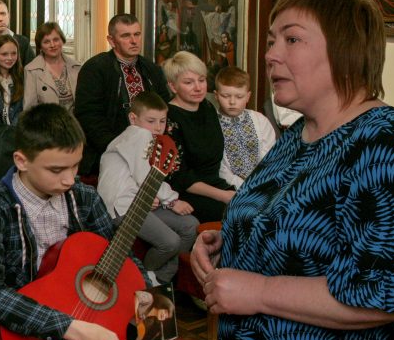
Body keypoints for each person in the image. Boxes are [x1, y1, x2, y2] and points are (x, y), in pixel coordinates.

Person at [192, 0, 394, 340]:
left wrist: (260, 291)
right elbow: (297, 225)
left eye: (291, 39)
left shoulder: (388, 145)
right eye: (272, 41)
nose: (271, 54)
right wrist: (234, 238)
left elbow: (388, 292)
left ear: (345, 51)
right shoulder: (298, 135)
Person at [0, 103, 184, 340]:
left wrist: (156, 327)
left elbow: (123, 256)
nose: (70, 179)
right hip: (19, 330)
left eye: (76, 165)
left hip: (92, 317)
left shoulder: (84, 197)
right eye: (56, 170)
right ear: (21, 160)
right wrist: (73, 329)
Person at [98, 91, 198, 285]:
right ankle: (146, 279)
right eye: (151, 121)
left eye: (162, 121)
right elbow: (146, 176)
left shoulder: (146, 137)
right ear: (133, 118)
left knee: (190, 225)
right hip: (122, 207)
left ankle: (162, 279)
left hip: (139, 201)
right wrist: (172, 201)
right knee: (171, 242)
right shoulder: (138, 134)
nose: (158, 127)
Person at [75, 14, 171, 176]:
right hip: (108, 153)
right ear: (112, 41)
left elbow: (165, 108)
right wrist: (119, 148)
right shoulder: (95, 69)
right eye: (126, 36)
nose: (134, 41)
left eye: (137, 34)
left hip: (151, 153)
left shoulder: (152, 70)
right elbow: (88, 117)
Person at [163, 50, 234, 224]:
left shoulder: (207, 107)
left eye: (201, 80)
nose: (198, 87)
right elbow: (180, 177)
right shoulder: (168, 118)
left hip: (216, 184)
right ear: (173, 86)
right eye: (189, 82)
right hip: (186, 194)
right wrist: (223, 195)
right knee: (238, 215)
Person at [213, 66, 276, 189]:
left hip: (264, 182)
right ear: (216, 95)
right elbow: (220, 167)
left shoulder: (260, 120)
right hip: (229, 188)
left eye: (239, 97)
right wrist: (244, 186)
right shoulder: (211, 124)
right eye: (225, 96)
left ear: (248, 96)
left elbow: (270, 155)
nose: (232, 102)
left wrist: (261, 182)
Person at [23, 22, 80, 111]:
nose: (52, 45)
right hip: (46, 119)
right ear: (40, 46)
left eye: (56, 40)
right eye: (46, 42)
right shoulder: (31, 70)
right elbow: (30, 109)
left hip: (75, 119)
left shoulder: (77, 67)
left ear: (62, 41)